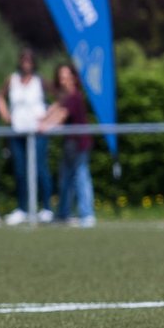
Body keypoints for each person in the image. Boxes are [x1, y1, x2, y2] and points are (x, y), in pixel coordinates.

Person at [0, 48, 55, 225]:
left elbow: (60, 98)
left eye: (29, 60)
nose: (26, 63)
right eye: (24, 60)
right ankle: (23, 208)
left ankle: (46, 208)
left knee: (39, 169)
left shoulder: (40, 80)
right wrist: (6, 115)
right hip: (17, 131)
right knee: (20, 171)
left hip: (37, 132)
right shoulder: (12, 79)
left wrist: (47, 116)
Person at [39, 62, 96, 228]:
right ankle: (64, 213)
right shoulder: (65, 98)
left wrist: (46, 126)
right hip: (70, 144)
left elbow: (61, 115)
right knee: (65, 179)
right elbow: (53, 111)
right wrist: (41, 121)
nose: (63, 80)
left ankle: (87, 214)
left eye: (66, 77)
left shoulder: (74, 96)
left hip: (79, 144)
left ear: (73, 78)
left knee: (81, 177)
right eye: (61, 77)